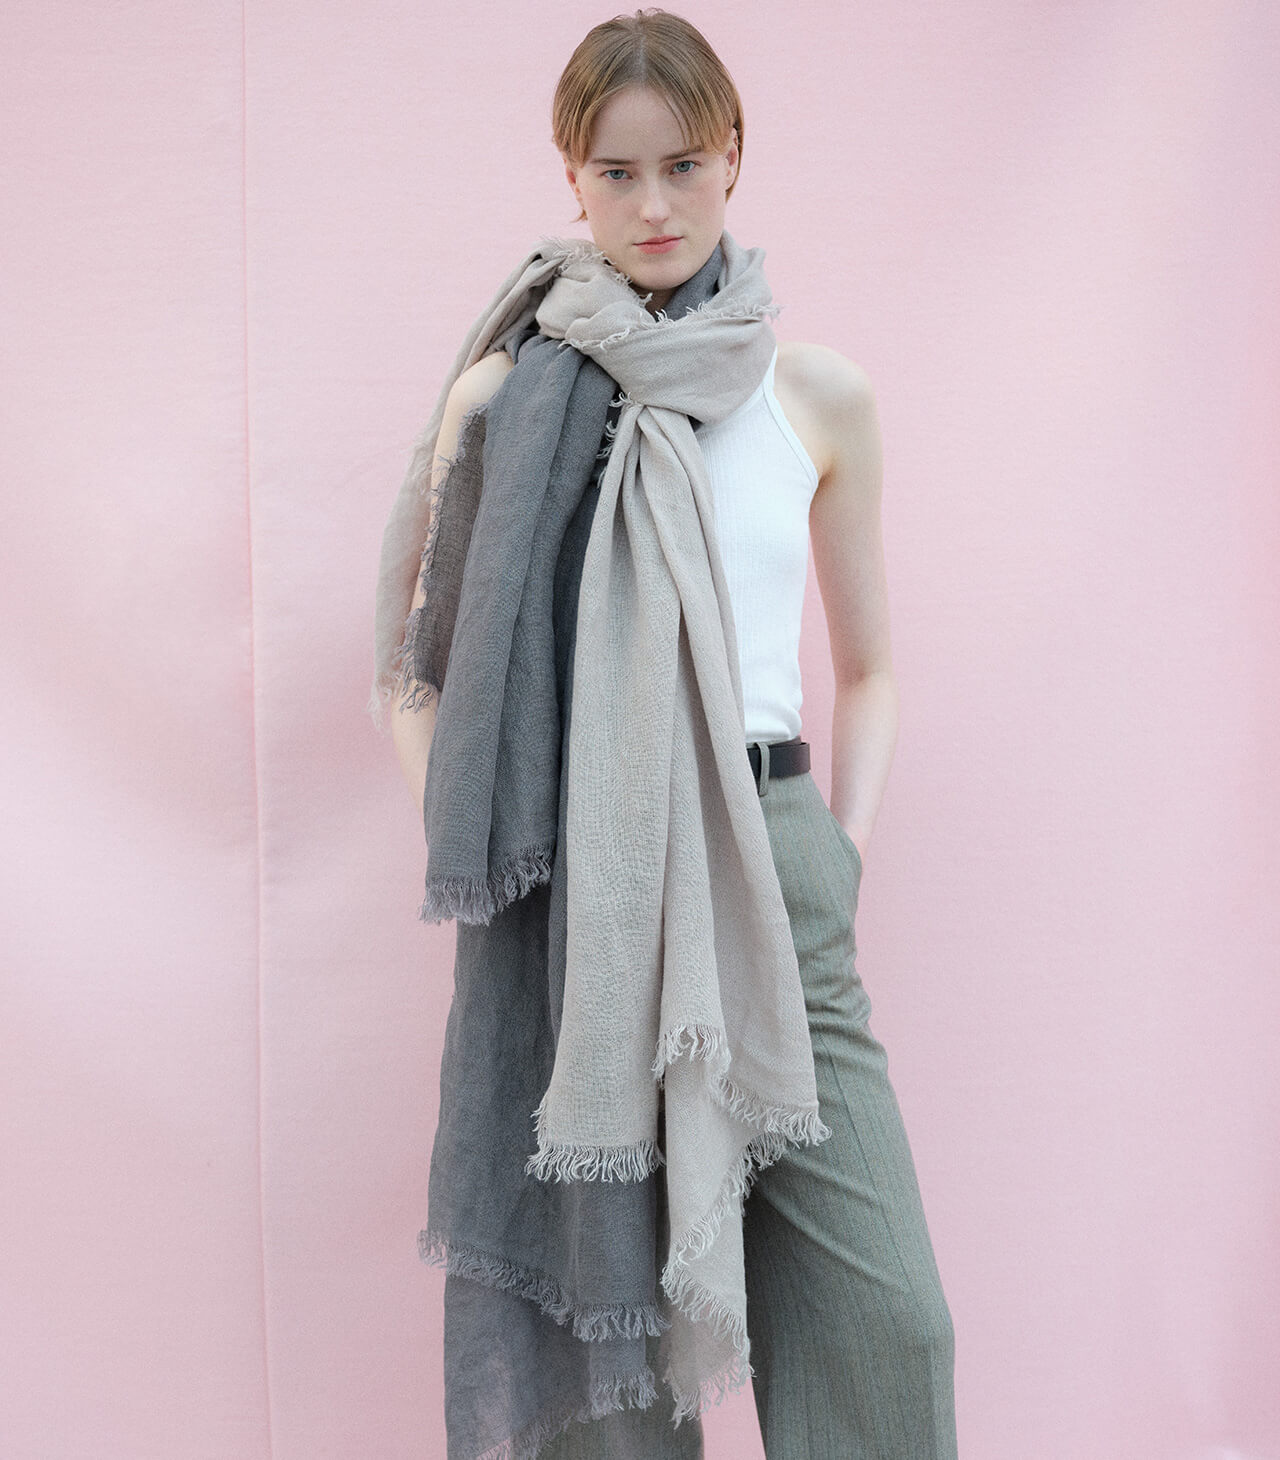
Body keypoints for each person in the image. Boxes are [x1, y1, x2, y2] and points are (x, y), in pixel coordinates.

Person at [375, 10, 956, 1458]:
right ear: (569, 173)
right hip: (589, 897)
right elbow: (417, 674)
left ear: (734, 157)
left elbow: (872, 668)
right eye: (616, 171)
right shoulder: (506, 401)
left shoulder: (814, 394)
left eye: (683, 165)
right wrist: (501, 861)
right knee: (606, 1358)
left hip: (774, 869)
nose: (652, 206)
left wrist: (838, 853)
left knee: (890, 1323)